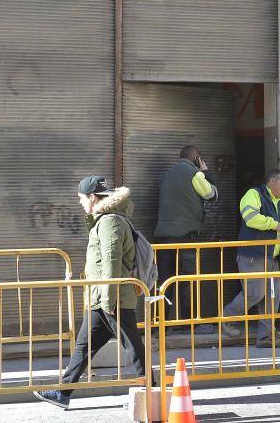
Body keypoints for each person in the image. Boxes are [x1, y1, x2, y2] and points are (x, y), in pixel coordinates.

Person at [35, 176, 146, 410]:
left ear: (92, 197)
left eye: (81, 198)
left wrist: (108, 299)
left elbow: (111, 261)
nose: (80, 203)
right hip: (101, 298)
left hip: (112, 299)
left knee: (133, 348)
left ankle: (152, 391)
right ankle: (62, 392)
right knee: (84, 347)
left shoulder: (110, 222)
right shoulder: (106, 219)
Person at [221, 169, 280, 348]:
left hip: (271, 258)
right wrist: (275, 224)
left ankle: (266, 338)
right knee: (255, 293)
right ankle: (226, 317)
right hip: (252, 255)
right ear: (272, 181)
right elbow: (250, 218)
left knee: (272, 298)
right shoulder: (254, 194)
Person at [154, 146, 217, 331]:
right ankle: (189, 323)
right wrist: (205, 173)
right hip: (185, 238)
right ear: (196, 159)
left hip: (164, 238)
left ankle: (162, 325)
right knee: (188, 281)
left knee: (165, 282)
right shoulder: (195, 175)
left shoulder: (167, 174)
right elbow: (211, 195)